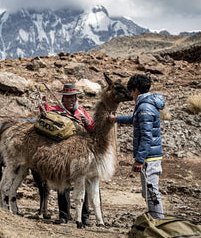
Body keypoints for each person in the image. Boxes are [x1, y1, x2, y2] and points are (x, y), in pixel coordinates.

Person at [108, 74, 165, 219]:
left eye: (131, 91)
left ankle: (158, 223)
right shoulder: (147, 104)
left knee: (151, 191)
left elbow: (146, 136)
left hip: (149, 158)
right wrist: (116, 119)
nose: (131, 95)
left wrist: (140, 160)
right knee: (148, 191)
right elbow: (136, 120)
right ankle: (155, 219)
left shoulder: (145, 106)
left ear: (136, 90)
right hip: (151, 155)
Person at [40, 83, 95, 225]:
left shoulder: (81, 112)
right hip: (63, 153)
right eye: (68, 98)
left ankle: (85, 216)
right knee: (62, 183)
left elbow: (92, 128)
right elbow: (45, 114)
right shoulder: (56, 110)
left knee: (82, 185)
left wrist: (88, 123)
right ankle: (64, 216)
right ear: (63, 99)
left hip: (79, 154)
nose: (71, 101)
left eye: (73, 98)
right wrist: (43, 104)